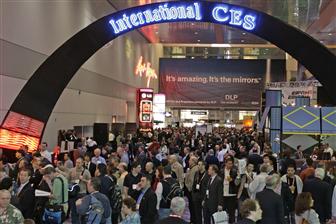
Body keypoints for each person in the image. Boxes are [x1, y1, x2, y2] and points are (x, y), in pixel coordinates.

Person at [68, 157, 91, 224]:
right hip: (73, 193)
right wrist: (73, 182)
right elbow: (67, 181)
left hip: (82, 193)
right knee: (73, 211)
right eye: (76, 162)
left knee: (83, 212)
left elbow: (90, 182)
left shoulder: (86, 172)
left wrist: (83, 179)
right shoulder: (71, 170)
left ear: (82, 163)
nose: (77, 164)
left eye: (79, 163)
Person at [191, 160, 210, 224]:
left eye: (199, 165)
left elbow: (208, 187)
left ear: (203, 166)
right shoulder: (196, 173)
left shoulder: (207, 175)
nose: (198, 166)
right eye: (198, 164)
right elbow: (194, 184)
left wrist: (205, 198)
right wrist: (193, 195)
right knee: (197, 214)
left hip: (203, 197)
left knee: (205, 214)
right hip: (196, 196)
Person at [222, 157, 239, 223]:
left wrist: (234, 179)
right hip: (223, 194)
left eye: (231, 164)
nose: (230, 165)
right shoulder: (221, 171)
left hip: (231, 194)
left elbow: (236, 183)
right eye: (229, 164)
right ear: (225, 163)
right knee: (222, 213)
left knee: (232, 213)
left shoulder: (234, 171)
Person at [184, 156, 198, 223]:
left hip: (191, 192)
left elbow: (192, 182)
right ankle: (192, 220)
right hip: (190, 191)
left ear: (193, 162)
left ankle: (194, 220)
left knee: (193, 207)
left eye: (190, 160)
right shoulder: (191, 169)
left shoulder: (194, 169)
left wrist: (189, 189)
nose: (188, 161)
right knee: (191, 207)